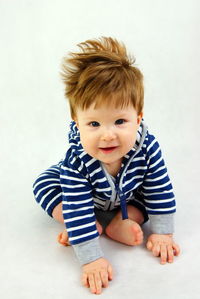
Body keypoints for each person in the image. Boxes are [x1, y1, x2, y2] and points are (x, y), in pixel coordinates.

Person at [33, 37, 180, 295]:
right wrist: (91, 259)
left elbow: (160, 190)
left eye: (120, 121)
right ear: (77, 122)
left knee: (148, 197)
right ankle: (87, 227)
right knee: (45, 185)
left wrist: (163, 233)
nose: (108, 135)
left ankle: (116, 224)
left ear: (138, 118)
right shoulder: (76, 161)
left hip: (127, 197)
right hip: (84, 199)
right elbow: (77, 204)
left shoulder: (147, 147)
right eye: (94, 124)